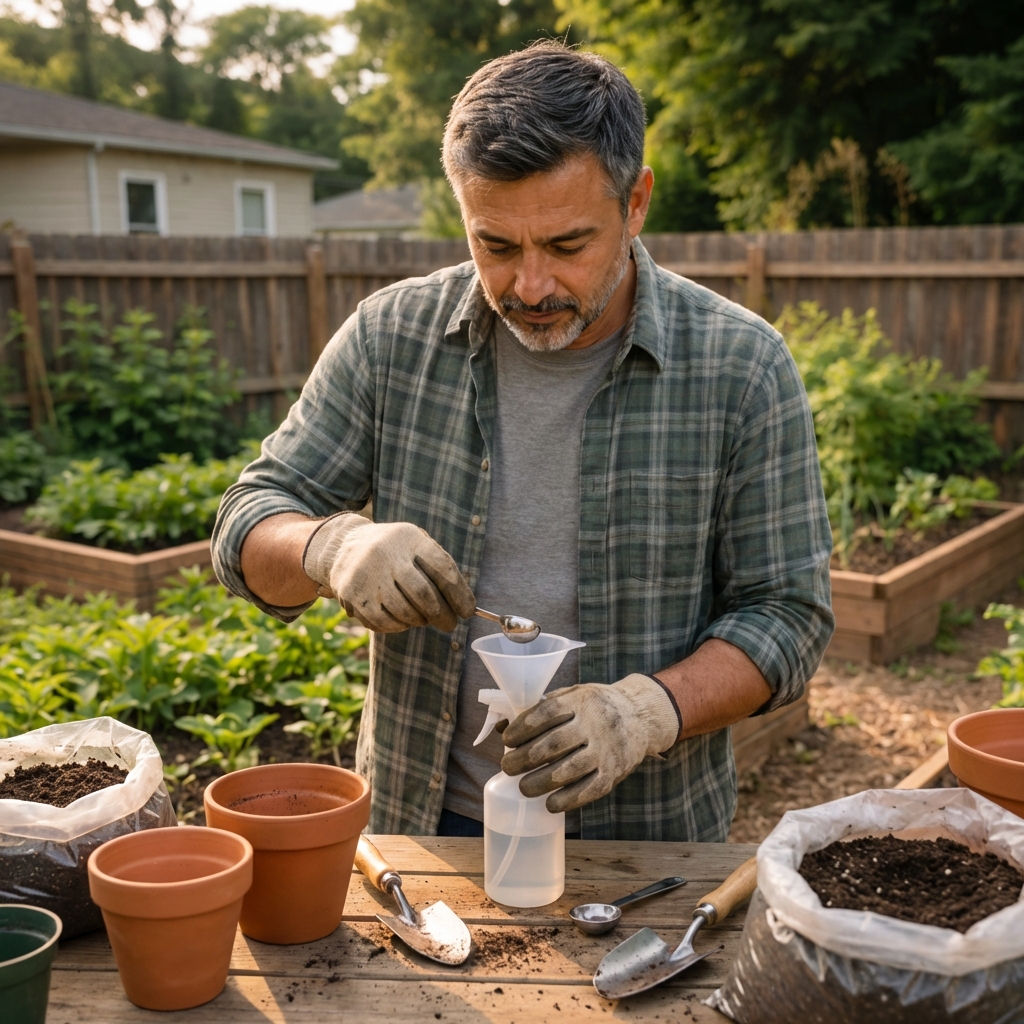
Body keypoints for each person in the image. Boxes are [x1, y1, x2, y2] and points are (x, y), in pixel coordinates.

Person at [211, 41, 834, 842]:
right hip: (424, 830)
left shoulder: (740, 367)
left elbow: (788, 614)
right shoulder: (390, 338)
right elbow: (247, 518)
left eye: (568, 245)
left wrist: (647, 711)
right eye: (495, 246)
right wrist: (328, 548)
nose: (530, 286)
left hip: (646, 847)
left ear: (635, 202)